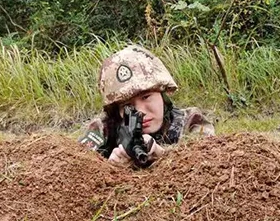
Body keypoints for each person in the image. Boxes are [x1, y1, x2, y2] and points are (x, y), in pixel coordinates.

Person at [79, 44, 215, 166]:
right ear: (116, 110)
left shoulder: (191, 121)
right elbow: (74, 170)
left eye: (146, 97)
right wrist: (108, 168)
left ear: (162, 94)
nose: (140, 111)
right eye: (127, 105)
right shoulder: (103, 130)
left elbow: (209, 162)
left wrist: (163, 155)